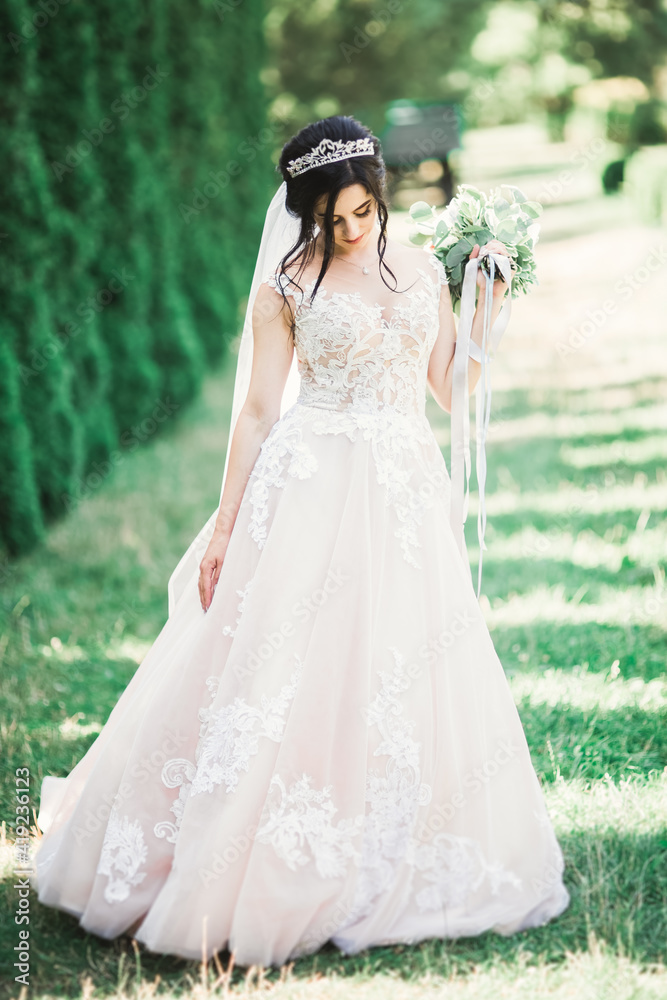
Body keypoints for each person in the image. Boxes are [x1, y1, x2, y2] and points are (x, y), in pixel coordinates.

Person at [33, 115, 569, 968]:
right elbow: (254, 412)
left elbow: (447, 388)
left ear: (379, 196)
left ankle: (386, 839)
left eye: (361, 213)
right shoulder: (285, 286)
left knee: (394, 664)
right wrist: (223, 523)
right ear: (303, 215)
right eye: (330, 220)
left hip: (399, 493)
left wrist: (484, 314)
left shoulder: (422, 267)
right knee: (277, 668)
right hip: (310, 485)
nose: (349, 232)